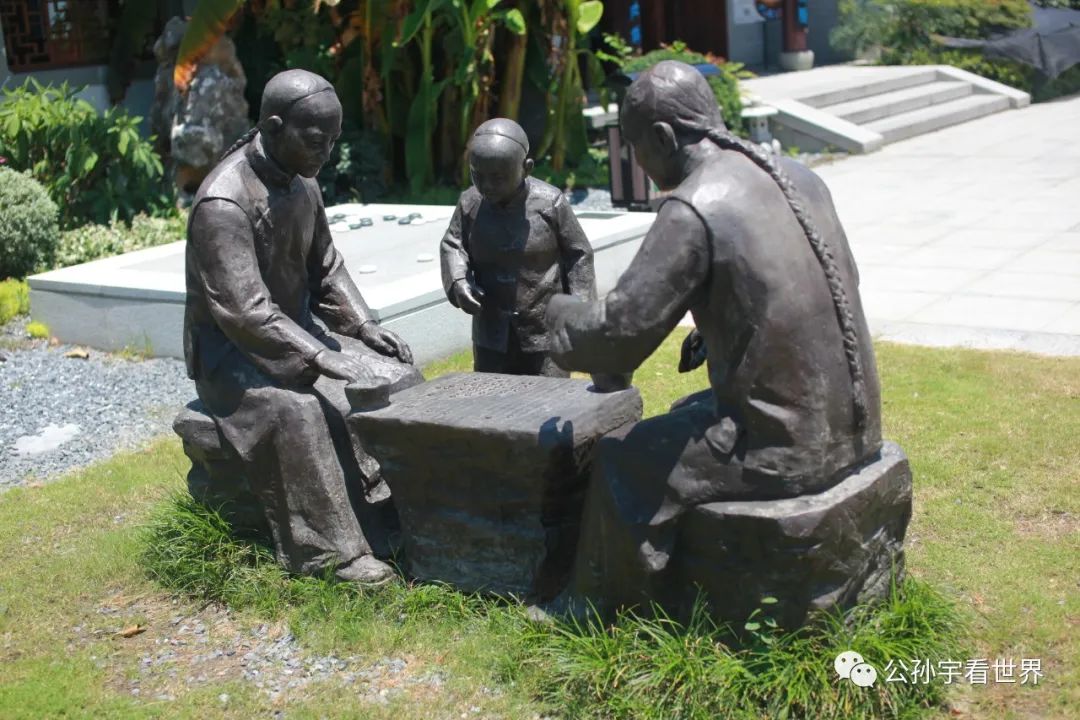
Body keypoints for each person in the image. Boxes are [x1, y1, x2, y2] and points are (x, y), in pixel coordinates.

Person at [543, 61, 883, 613]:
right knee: (686, 408)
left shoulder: (693, 205)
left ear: (662, 137)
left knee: (622, 461)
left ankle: (597, 612)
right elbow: (815, 288)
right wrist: (720, 324)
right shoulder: (799, 175)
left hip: (793, 450)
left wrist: (560, 315)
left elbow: (619, 334)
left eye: (634, 148)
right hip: (856, 425)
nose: (638, 162)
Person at [184, 69, 423, 585]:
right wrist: (318, 356)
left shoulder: (304, 183)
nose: (328, 153)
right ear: (273, 127)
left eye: (334, 140)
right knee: (299, 411)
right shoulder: (223, 205)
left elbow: (327, 267)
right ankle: (331, 554)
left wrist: (362, 327)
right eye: (318, 140)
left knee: (393, 374)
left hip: (293, 331)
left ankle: (397, 517)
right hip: (234, 355)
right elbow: (244, 311)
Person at [440, 118, 596, 377]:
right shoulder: (469, 203)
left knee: (550, 402)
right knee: (492, 401)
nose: (486, 186)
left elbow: (579, 255)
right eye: (477, 175)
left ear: (526, 168)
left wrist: (578, 310)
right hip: (491, 332)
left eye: (498, 178)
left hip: (544, 330)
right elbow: (452, 244)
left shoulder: (550, 203)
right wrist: (458, 280)